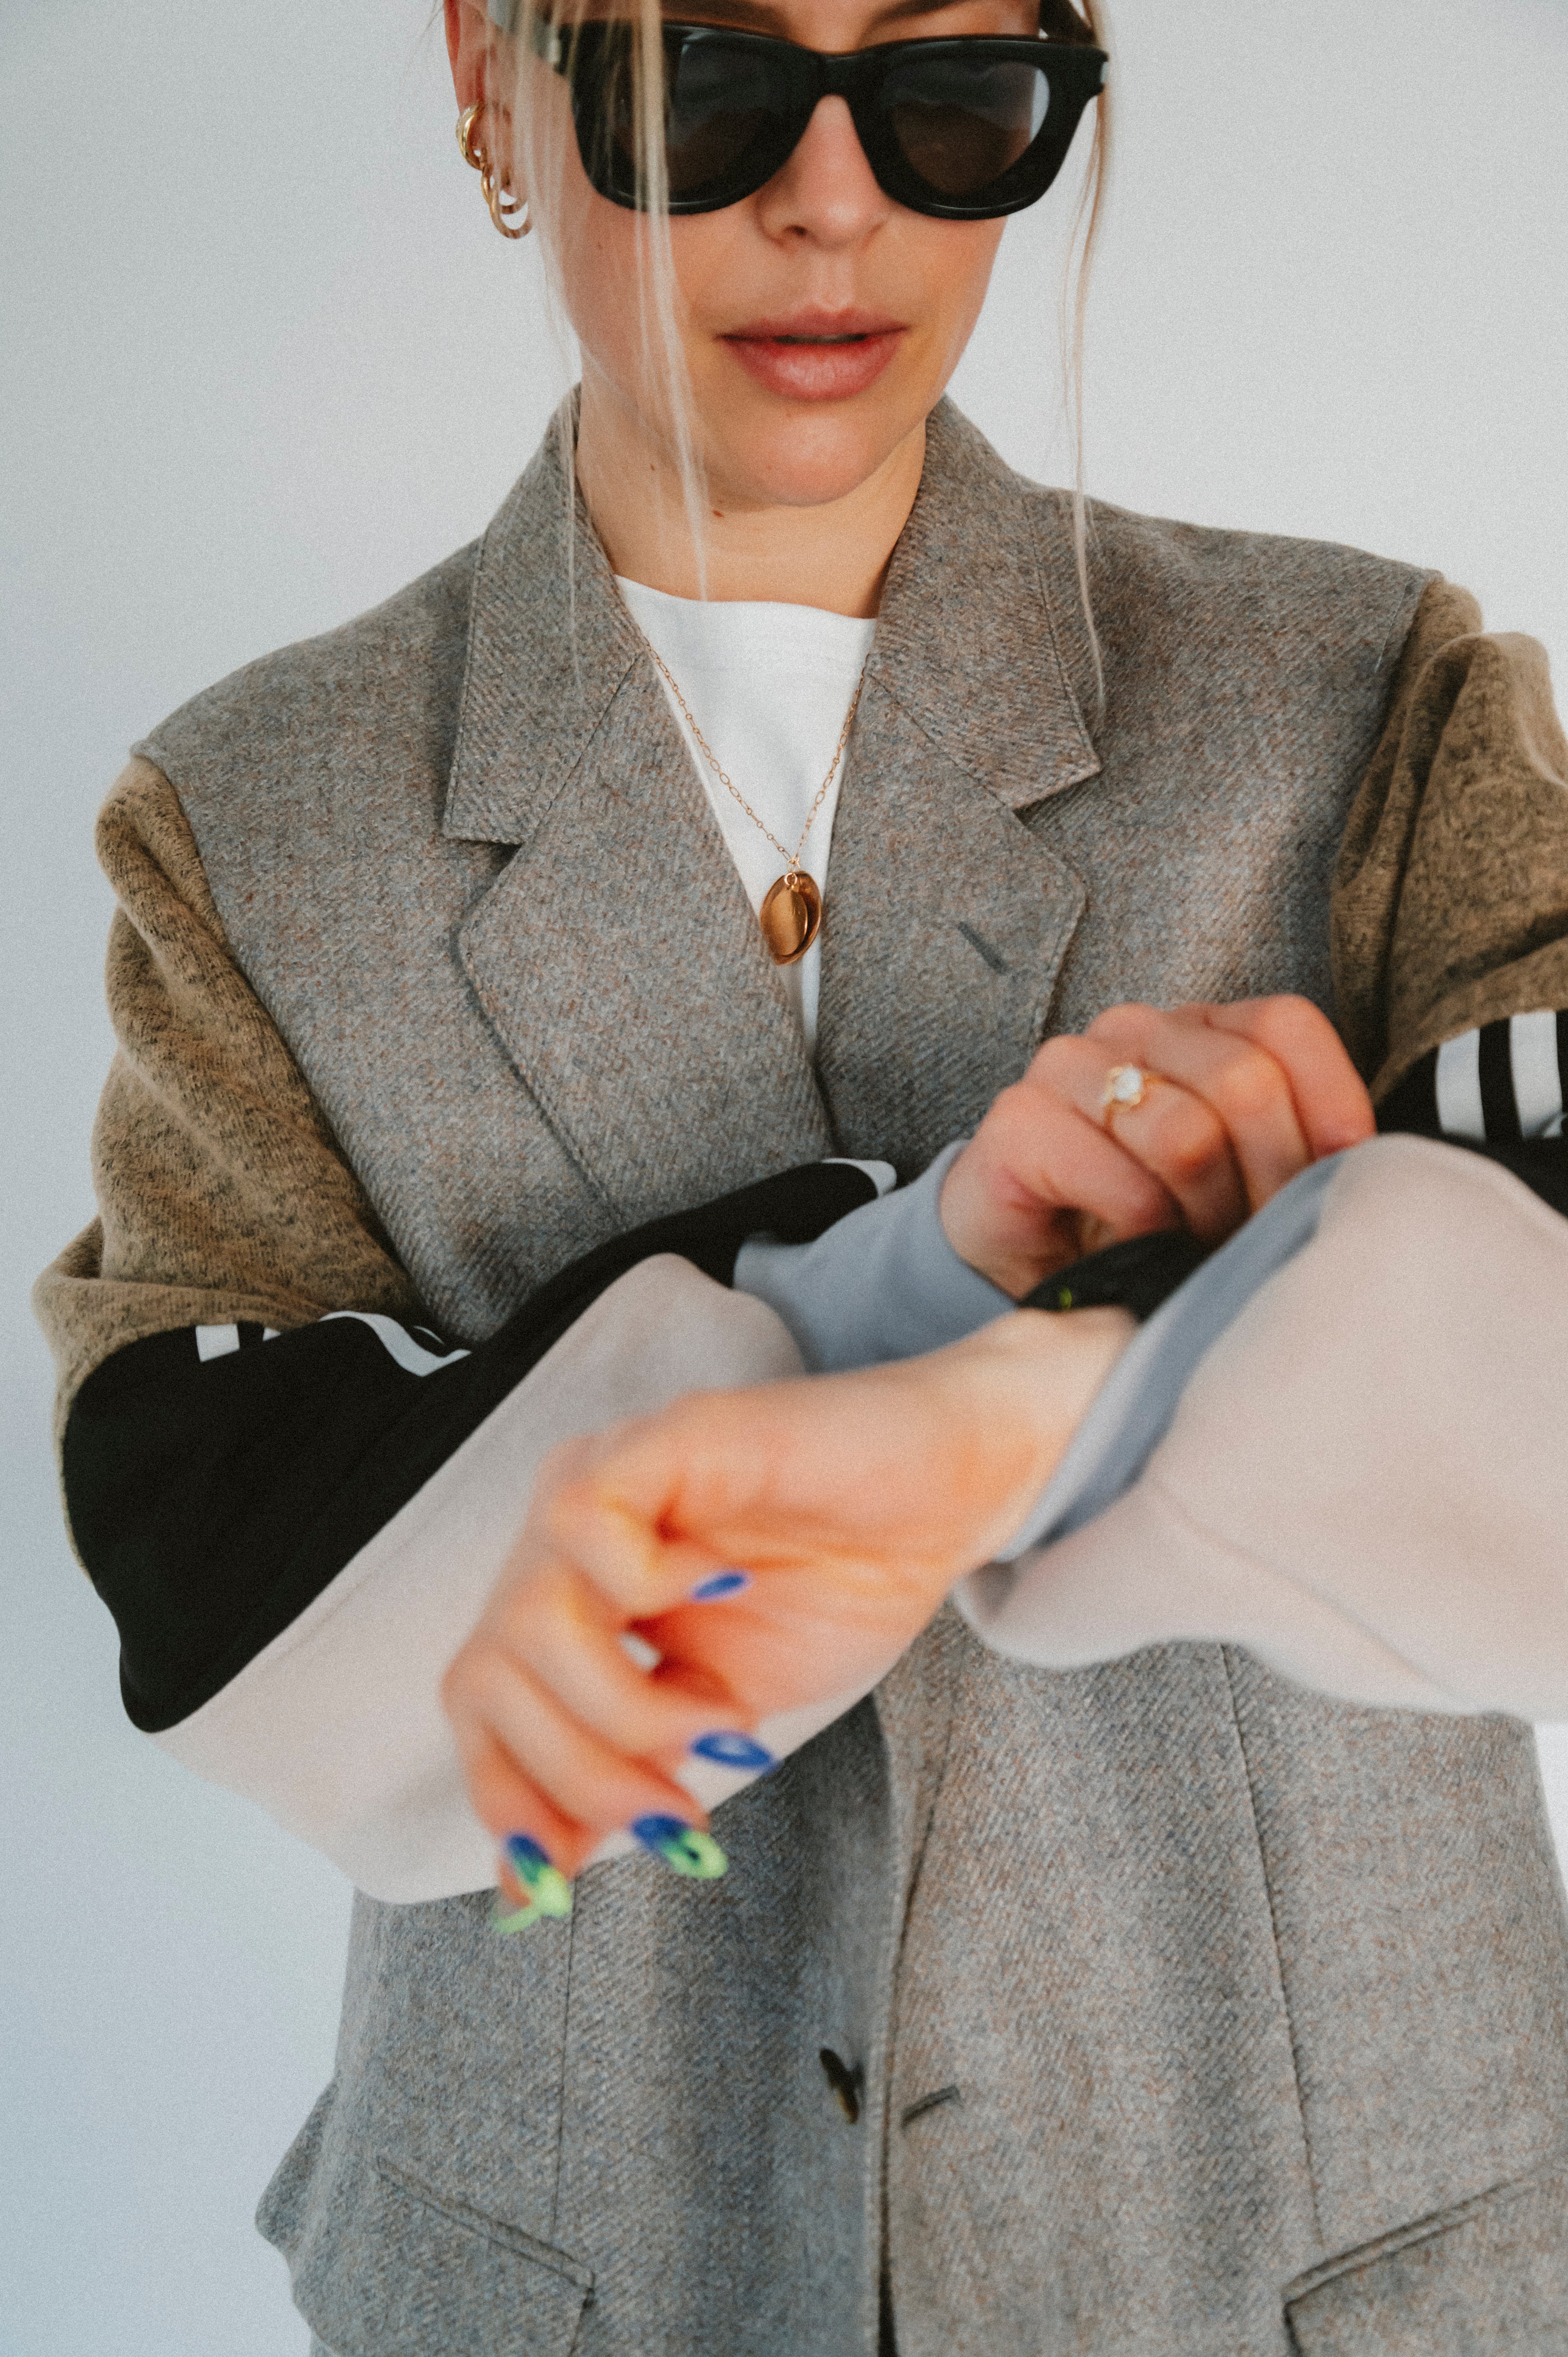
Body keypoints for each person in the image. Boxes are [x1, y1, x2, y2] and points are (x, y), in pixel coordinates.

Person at [32, 0, 1568, 2344]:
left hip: (1314, 2268)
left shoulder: (1367, 697)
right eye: (708, 82)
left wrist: (1017, 1392)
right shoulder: (253, 818)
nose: (831, 201)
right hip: (579, 2276)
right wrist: (902, 1278)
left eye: (951, 92)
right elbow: (225, 1566)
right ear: (489, 74)